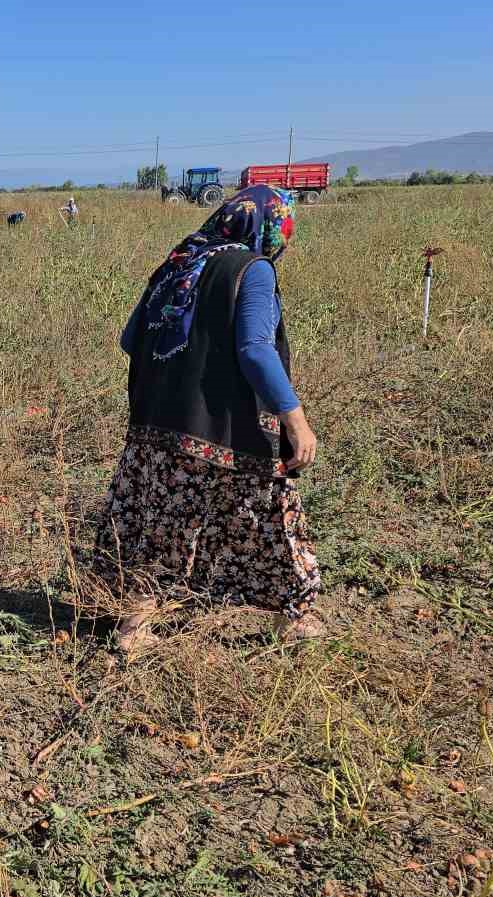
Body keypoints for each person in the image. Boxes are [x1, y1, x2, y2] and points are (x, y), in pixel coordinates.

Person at [95, 185, 323, 653]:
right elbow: (256, 349)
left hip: (155, 424)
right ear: (268, 226)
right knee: (269, 518)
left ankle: (133, 628)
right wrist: (294, 418)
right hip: (225, 426)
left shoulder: (179, 262)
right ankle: (294, 618)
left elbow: (129, 339)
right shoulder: (252, 270)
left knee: (160, 521)